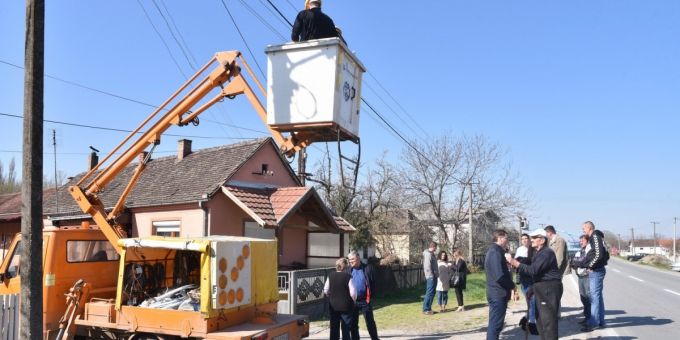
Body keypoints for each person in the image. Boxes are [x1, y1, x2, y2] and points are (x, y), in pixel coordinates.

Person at [506, 229, 563, 340]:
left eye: (534, 238)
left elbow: (533, 270)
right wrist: (532, 289)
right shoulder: (539, 253)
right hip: (542, 287)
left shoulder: (546, 253)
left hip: (549, 288)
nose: (531, 240)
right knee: (541, 321)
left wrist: (515, 263)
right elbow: (537, 274)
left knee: (548, 322)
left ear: (542, 240)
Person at [484, 229, 516, 340]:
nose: (507, 241)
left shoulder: (497, 251)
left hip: (498, 292)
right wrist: (512, 285)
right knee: (495, 326)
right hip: (497, 293)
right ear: (500, 238)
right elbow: (499, 276)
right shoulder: (495, 252)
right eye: (506, 238)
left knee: (496, 324)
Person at [578, 221, 609, 332]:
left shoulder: (595, 235)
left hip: (596, 270)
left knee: (594, 298)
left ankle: (593, 323)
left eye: (584, 228)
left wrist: (591, 266)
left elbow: (599, 254)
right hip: (598, 270)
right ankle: (600, 321)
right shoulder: (596, 237)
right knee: (598, 297)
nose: (583, 230)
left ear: (589, 227)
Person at [346, 251, 379, 340]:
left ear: (358, 258)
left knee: (370, 322)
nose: (350, 261)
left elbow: (373, 283)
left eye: (352, 259)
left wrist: (371, 295)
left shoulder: (368, 268)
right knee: (353, 324)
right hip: (353, 301)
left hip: (365, 300)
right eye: (349, 260)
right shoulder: (348, 270)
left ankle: (375, 338)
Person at [324, 258, 358, 340]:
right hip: (346, 306)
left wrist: (331, 296)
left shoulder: (330, 276)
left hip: (333, 306)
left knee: (334, 328)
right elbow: (353, 293)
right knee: (346, 328)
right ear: (345, 266)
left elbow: (325, 290)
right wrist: (354, 300)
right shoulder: (348, 277)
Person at [515, 233, 538, 334]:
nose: (524, 240)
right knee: (532, 301)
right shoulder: (519, 250)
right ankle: (531, 324)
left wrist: (523, 262)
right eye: (522, 239)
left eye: (526, 238)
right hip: (524, 279)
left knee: (533, 302)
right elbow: (516, 264)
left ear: (529, 240)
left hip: (533, 278)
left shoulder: (533, 249)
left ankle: (525, 319)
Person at [570, 234, 592, 325]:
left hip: (587, 276)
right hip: (580, 277)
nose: (580, 242)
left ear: (587, 241)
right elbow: (573, 261)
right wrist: (577, 261)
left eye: (582, 240)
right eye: (580, 241)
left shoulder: (589, 251)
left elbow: (583, 260)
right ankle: (586, 317)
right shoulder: (579, 251)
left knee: (588, 297)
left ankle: (590, 319)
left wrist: (578, 261)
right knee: (583, 297)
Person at [422, 241, 438, 315]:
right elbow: (427, 266)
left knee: (432, 292)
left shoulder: (432, 254)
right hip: (430, 277)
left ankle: (429, 308)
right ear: (433, 247)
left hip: (434, 276)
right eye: (436, 247)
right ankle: (426, 309)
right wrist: (431, 276)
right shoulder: (428, 254)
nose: (436, 249)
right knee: (429, 292)